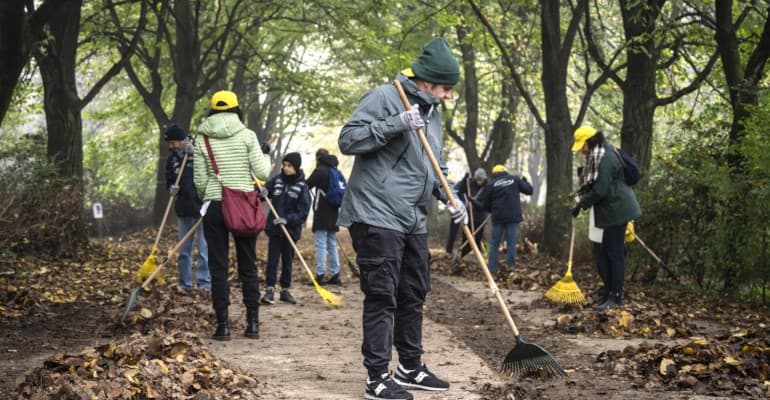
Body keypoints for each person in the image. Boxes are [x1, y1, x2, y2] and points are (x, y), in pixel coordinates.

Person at [338, 37, 465, 400]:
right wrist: (396, 123)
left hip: (413, 218)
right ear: (426, 81)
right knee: (382, 295)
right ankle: (377, 377)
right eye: (445, 88)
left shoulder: (433, 112)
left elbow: (434, 165)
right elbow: (348, 140)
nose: (448, 96)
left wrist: (451, 197)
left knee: (413, 292)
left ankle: (410, 366)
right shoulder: (384, 97)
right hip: (376, 213)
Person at [194, 90, 271, 340]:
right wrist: (266, 154)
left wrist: (212, 195)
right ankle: (252, 324)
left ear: (212, 110)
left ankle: (223, 326)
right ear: (237, 109)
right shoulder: (248, 136)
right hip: (243, 205)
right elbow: (262, 172)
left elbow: (199, 180)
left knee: (218, 267)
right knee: (248, 264)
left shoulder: (202, 138)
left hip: (215, 206)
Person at [571, 125, 641, 310]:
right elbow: (594, 185)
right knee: (604, 253)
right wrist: (579, 200)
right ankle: (609, 292)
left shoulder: (605, 157)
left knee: (615, 254)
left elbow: (601, 189)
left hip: (618, 210)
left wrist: (581, 204)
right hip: (611, 210)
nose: (581, 151)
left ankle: (615, 297)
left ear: (590, 141)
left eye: (582, 146)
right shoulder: (598, 155)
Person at [260, 152, 311, 305]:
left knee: (287, 261)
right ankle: (269, 290)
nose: (286, 168)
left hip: (291, 231)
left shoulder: (302, 186)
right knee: (272, 260)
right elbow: (264, 192)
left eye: (289, 166)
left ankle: (285, 290)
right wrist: (262, 191)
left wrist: (288, 220)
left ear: (296, 167)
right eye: (284, 165)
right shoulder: (277, 180)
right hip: (275, 229)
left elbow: (303, 212)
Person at [164, 124, 210, 292]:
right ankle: (185, 284)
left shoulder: (201, 150)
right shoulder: (172, 158)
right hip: (183, 208)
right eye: (169, 143)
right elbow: (169, 180)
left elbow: (212, 172)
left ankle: (204, 285)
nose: (171, 146)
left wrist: (195, 153)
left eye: (173, 142)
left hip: (203, 208)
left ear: (182, 140)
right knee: (184, 250)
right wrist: (171, 188)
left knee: (204, 250)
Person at [477, 164, 533, 276]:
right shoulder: (515, 179)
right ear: (505, 171)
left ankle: (492, 268)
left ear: (494, 174)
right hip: (513, 217)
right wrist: (525, 181)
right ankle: (510, 267)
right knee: (511, 243)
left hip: (498, 217)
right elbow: (529, 190)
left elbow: (484, 203)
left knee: (495, 243)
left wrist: (491, 210)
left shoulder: (491, 184)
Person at [306, 148, 343, 285]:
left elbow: (306, 185)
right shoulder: (335, 171)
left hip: (322, 211)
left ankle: (320, 275)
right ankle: (335, 274)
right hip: (334, 211)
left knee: (321, 243)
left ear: (318, 158)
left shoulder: (320, 171)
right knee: (332, 243)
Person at [456, 168, 489, 260]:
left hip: (480, 218)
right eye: (478, 180)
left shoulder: (487, 188)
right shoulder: (470, 183)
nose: (479, 182)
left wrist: (472, 201)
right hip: (469, 216)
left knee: (477, 238)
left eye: (481, 180)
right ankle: (464, 256)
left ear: (484, 179)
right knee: (466, 237)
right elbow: (461, 190)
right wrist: (465, 178)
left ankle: (477, 258)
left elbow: (483, 206)